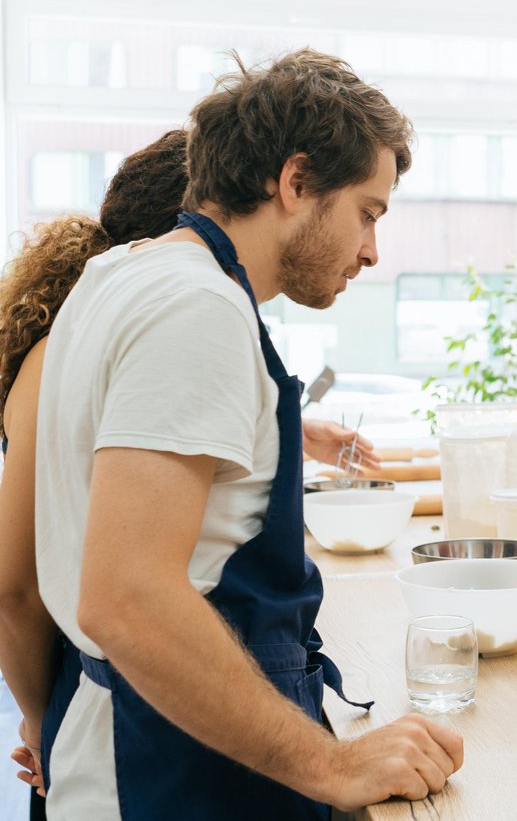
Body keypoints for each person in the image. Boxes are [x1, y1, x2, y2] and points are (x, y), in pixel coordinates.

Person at [28, 51, 463, 820]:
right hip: (165, 764)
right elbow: (127, 599)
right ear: (295, 182)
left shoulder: (123, 273)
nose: (371, 250)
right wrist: (330, 766)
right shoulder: (196, 307)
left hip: (134, 737)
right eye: (368, 211)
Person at [0, 131, 382, 816]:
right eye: (368, 212)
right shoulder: (169, 312)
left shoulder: (137, 312)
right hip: (137, 734)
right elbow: (17, 587)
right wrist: (41, 719)